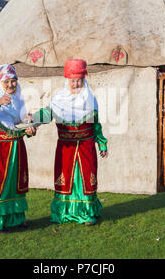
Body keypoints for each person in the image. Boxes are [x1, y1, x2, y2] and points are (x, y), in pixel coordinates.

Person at [33, 59, 108, 226]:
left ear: (84, 80)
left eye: (79, 80)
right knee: (65, 178)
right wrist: (33, 120)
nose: (76, 84)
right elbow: (47, 114)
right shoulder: (59, 99)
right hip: (65, 147)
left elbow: (96, 125)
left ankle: (87, 214)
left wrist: (102, 143)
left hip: (86, 146)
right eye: (73, 80)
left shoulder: (90, 99)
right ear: (67, 80)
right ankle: (63, 213)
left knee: (84, 180)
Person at [0, 64, 36, 233]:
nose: (10, 85)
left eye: (14, 81)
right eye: (6, 82)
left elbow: (20, 124)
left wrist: (30, 128)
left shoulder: (18, 99)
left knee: (13, 187)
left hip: (15, 149)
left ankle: (15, 220)